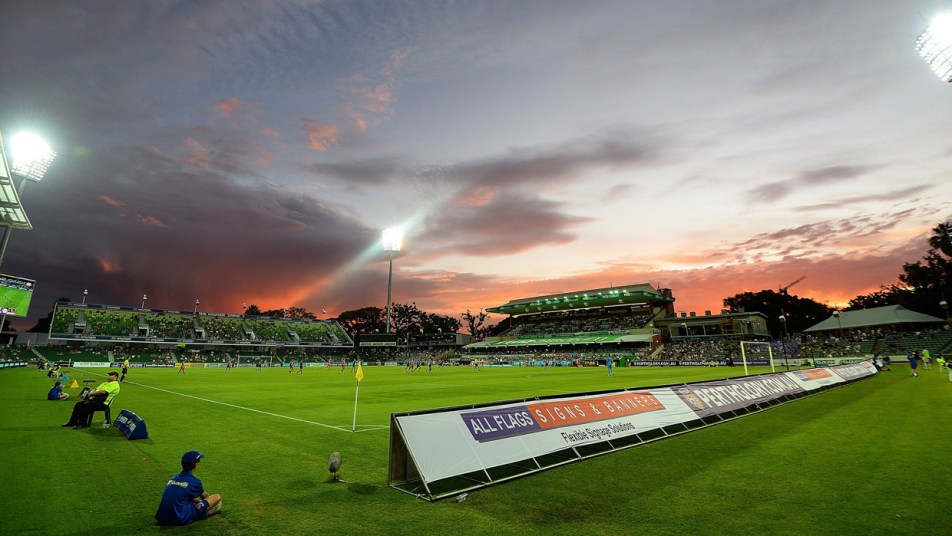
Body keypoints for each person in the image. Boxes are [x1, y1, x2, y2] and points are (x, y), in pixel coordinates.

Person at [155, 450, 222, 526]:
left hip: (162, 518)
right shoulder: (194, 481)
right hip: (180, 518)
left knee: (193, 499)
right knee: (217, 497)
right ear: (196, 464)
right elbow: (206, 497)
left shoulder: (172, 478)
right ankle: (205, 512)